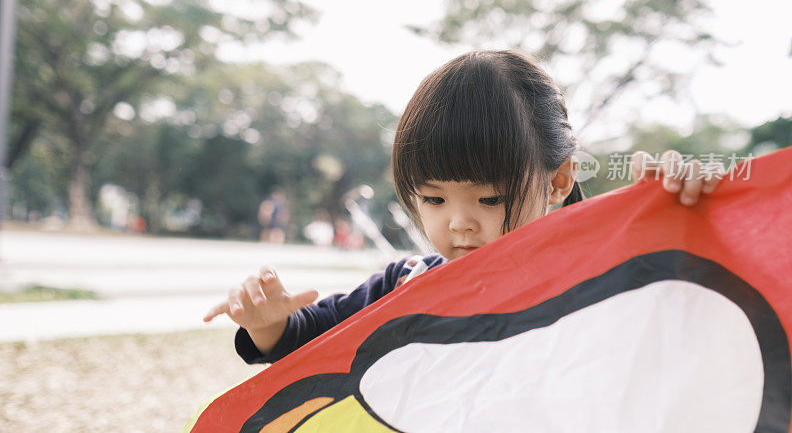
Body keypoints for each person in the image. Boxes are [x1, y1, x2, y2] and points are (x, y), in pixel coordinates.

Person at [204, 50, 724, 364]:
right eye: (432, 199)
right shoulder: (406, 284)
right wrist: (268, 322)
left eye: (490, 198)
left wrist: (688, 215)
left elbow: (704, 316)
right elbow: (309, 343)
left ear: (560, 179)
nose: (458, 223)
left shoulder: (607, 272)